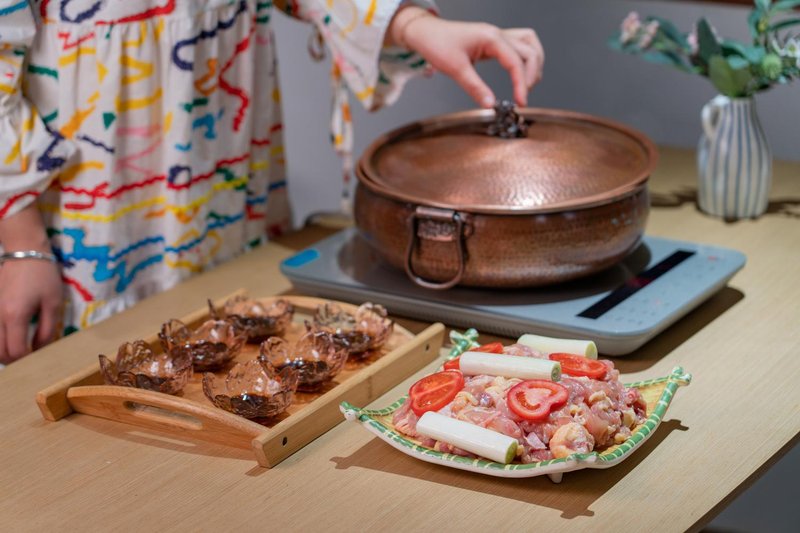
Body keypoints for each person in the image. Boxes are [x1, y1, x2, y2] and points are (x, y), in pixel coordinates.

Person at [0, 0, 544, 364]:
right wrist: (22, 244)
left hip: (225, 184)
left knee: (228, 374)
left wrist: (414, 24)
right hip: (81, 220)